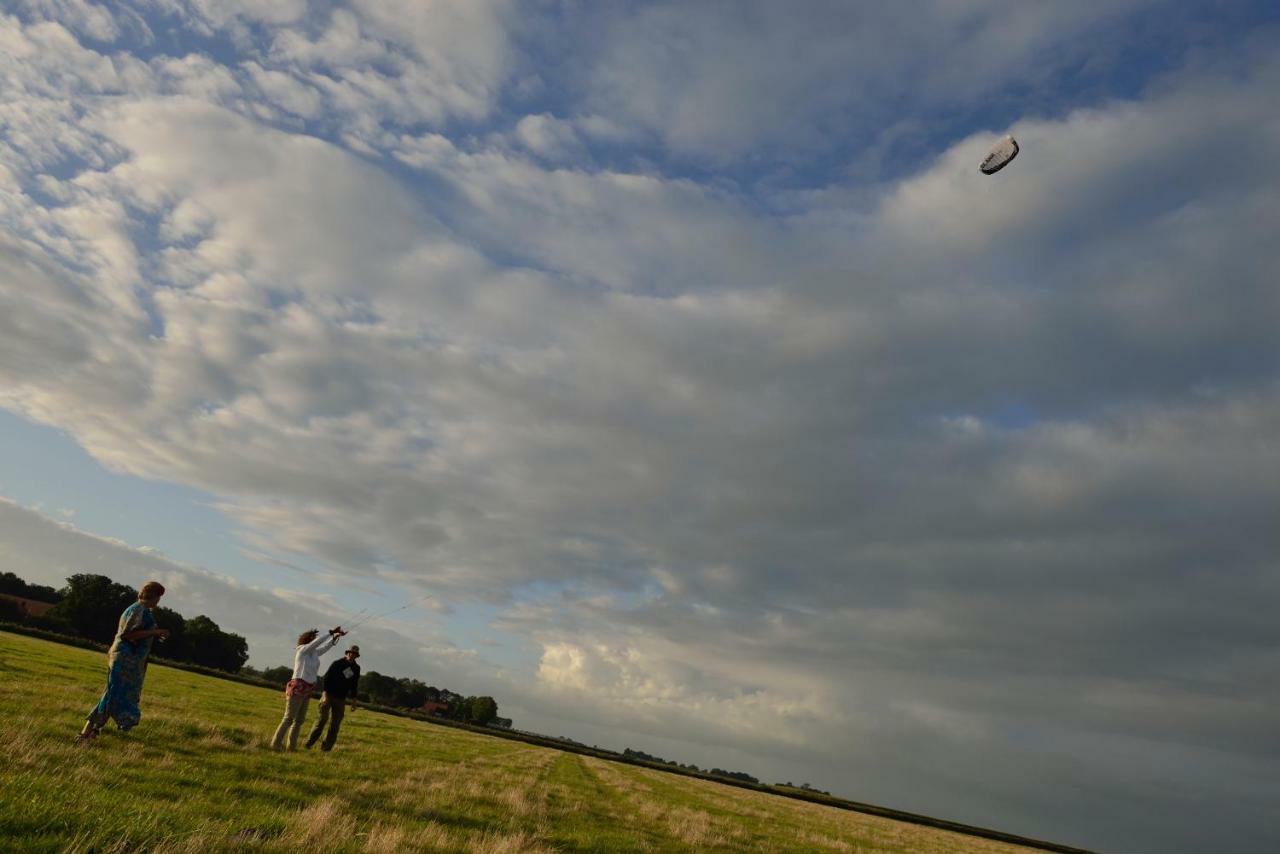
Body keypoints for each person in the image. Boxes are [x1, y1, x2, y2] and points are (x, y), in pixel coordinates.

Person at [78, 581, 171, 742]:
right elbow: (128, 635)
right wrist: (155, 631)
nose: (158, 601)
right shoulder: (138, 610)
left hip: (129, 659)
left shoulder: (140, 610)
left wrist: (154, 634)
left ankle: (91, 732)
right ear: (153, 596)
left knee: (112, 694)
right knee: (112, 695)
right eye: (158, 597)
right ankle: (86, 733)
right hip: (125, 658)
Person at [270, 625, 346, 751]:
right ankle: (275, 744)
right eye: (312, 639)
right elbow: (318, 642)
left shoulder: (314, 653)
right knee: (288, 718)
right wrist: (331, 632)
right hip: (298, 686)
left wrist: (334, 638)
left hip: (308, 688)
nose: (314, 640)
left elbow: (325, 647)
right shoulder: (302, 650)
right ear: (307, 640)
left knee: (299, 721)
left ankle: (291, 748)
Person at [306, 643, 361, 751]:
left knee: (335, 725)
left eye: (355, 654)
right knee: (322, 720)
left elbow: (354, 685)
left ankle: (326, 748)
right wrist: (325, 695)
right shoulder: (337, 663)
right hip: (328, 695)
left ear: (356, 655)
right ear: (347, 653)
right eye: (351, 653)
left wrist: (354, 701)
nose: (352, 655)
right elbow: (326, 678)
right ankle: (309, 743)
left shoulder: (356, 668)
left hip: (341, 699)